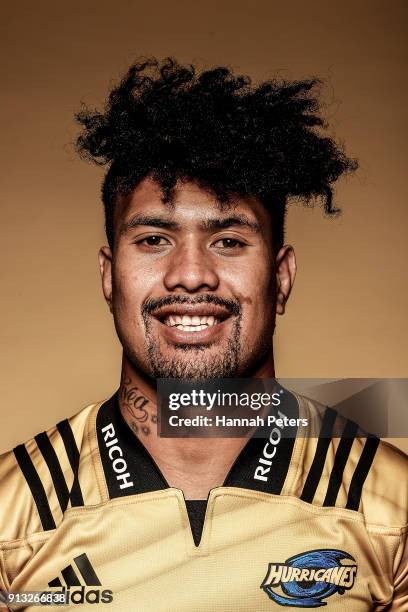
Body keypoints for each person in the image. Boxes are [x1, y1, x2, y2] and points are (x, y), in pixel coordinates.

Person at [0, 58, 406, 611]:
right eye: (153, 240)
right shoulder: (12, 513)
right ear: (107, 275)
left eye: (229, 241)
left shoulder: (389, 507)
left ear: (280, 277)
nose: (191, 274)